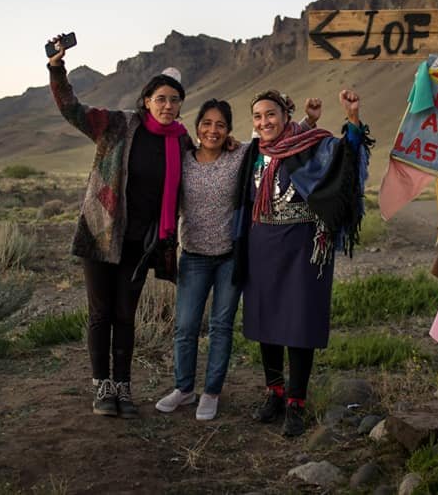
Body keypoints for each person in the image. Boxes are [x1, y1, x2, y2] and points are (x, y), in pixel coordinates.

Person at [47, 36, 190, 419]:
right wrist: (57, 69)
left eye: (174, 100)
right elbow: (72, 110)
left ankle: (123, 388)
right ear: (146, 101)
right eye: (160, 98)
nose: (167, 105)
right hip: (101, 231)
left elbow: (212, 158)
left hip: (142, 244)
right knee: (101, 314)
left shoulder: (181, 142)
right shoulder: (118, 124)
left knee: (127, 314)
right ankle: (102, 388)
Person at [155, 98, 322, 421]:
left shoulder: (242, 154)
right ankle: (184, 388)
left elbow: (280, 139)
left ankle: (212, 392)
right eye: (207, 123)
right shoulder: (184, 159)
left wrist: (309, 121)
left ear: (229, 130)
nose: (212, 130)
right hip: (193, 256)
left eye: (220, 125)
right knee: (186, 326)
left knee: (220, 327)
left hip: (231, 257)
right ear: (197, 127)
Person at [232, 88, 370, 437]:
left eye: (271, 115)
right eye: (258, 117)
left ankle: (297, 402)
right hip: (261, 246)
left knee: (299, 322)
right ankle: (274, 393)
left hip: (303, 247)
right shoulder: (253, 153)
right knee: (266, 321)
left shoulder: (311, 145)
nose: (264, 122)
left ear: (284, 116)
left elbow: (346, 157)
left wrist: (352, 117)